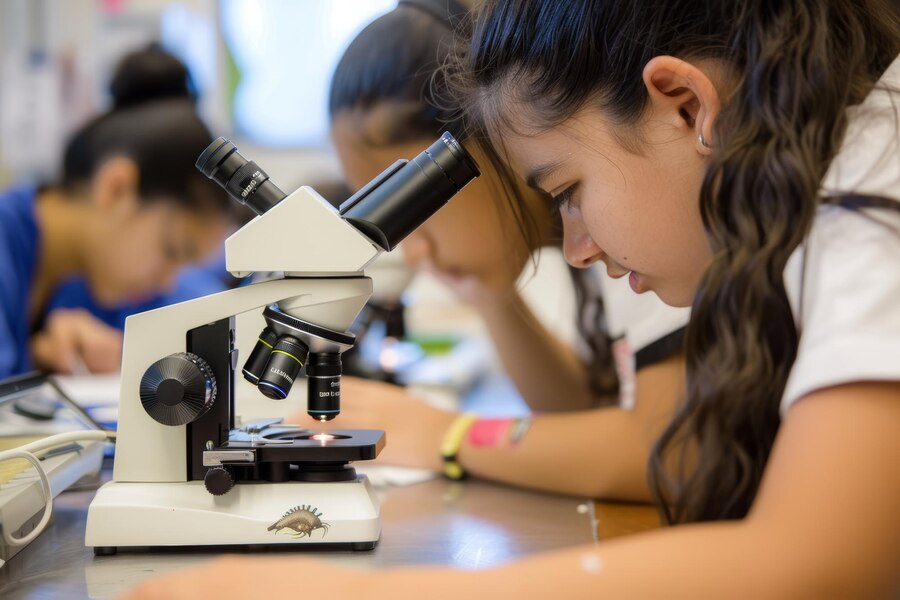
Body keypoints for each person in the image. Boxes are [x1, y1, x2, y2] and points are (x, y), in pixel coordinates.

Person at [126, 0, 900, 597]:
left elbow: (817, 558)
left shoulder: (873, 187)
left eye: (567, 191)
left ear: (687, 107)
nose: (576, 245)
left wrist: (367, 581)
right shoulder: (802, 195)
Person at [313, 0, 689, 500]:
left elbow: (668, 450)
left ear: (489, 139)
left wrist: (443, 435)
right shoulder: (601, 233)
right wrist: (492, 296)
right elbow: (584, 415)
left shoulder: (640, 230)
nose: (413, 251)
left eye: (409, 212)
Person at [0, 45, 232, 378]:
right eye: (171, 250)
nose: (167, 283)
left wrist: (36, 359)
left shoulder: (75, 280)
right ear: (116, 188)